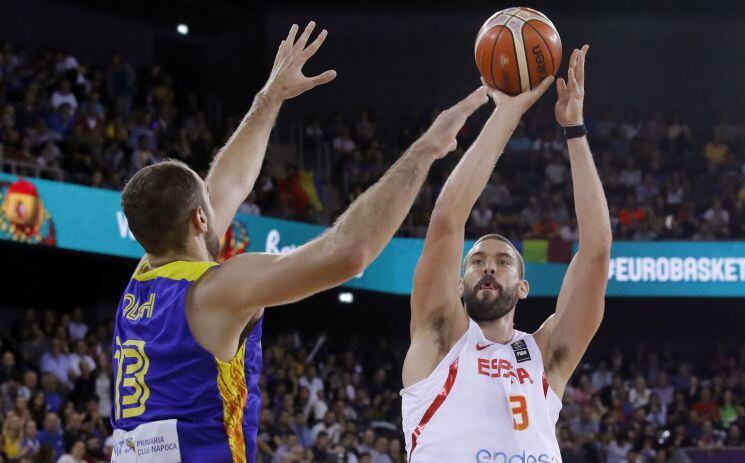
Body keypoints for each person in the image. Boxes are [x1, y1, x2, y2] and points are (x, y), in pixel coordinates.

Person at [110, 21, 489, 463]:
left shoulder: (144, 277)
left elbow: (227, 184)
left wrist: (269, 98)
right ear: (199, 218)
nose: (217, 202)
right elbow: (349, 252)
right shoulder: (216, 290)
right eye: (206, 204)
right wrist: (425, 149)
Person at [401, 45, 611, 461]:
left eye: (503, 261)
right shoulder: (439, 337)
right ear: (459, 285)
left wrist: (575, 130)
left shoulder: (546, 357)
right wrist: (508, 112)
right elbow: (446, 221)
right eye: (477, 261)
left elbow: (596, 252)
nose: (489, 267)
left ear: (524, 287)